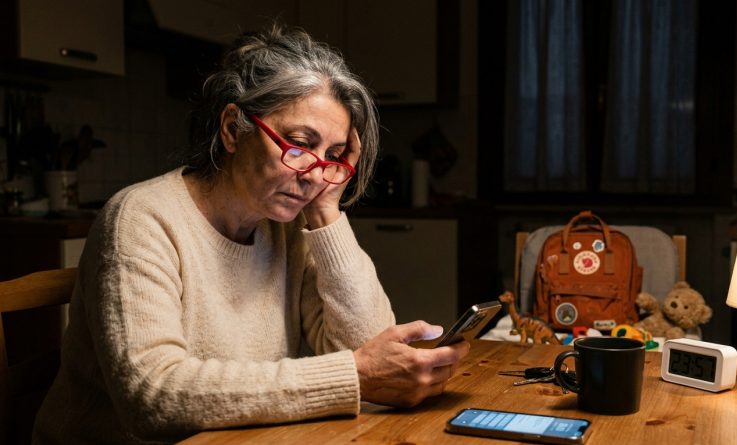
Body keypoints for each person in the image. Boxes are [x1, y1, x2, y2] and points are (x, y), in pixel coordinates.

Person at [33, 25, 469, 444]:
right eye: (299, 144)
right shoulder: (142, 218)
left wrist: (326, 210)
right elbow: (152, 396)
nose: (316, 174)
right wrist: (353, 375)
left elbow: (368, 348)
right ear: (231, 129)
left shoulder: (291, 224)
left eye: (333, 156)